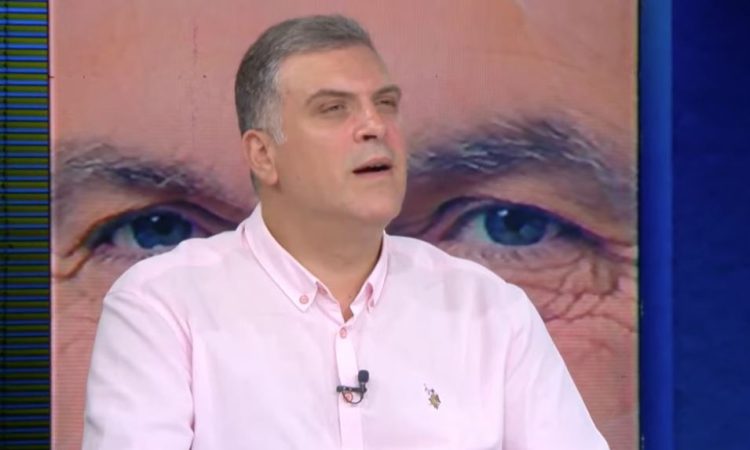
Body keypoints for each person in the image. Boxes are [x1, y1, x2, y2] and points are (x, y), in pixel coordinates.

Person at [54, 1, 636, 448]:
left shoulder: (492, 308)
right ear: (263, 155)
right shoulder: (160, 305)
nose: (374, 128)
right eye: (155, 228)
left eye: (511, 225)